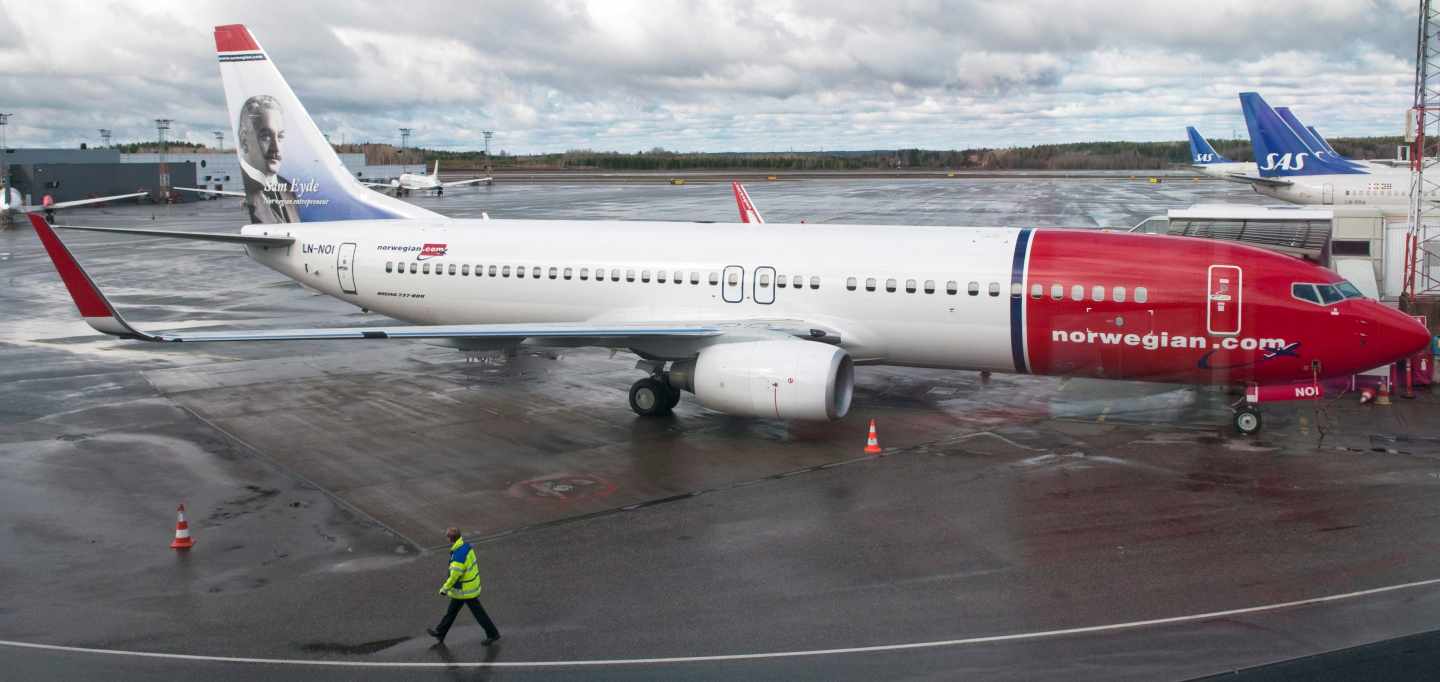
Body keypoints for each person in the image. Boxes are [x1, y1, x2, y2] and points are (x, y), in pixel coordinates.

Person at [427, 527, 501, 646]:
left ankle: (493, 634)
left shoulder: (458, 556)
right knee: (452, 611)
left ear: (450, 538)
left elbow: (454, 576)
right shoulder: (465, 547)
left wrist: (444, 589)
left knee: (478, 614)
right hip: (465, 587)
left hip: (465, 590)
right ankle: (440, 632)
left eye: (447, 537)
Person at [236, 94, 300, 224]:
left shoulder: (287, 189)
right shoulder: (249, 194)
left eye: (280, 137)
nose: (276, 148)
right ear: (244, 141)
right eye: (266, 137)